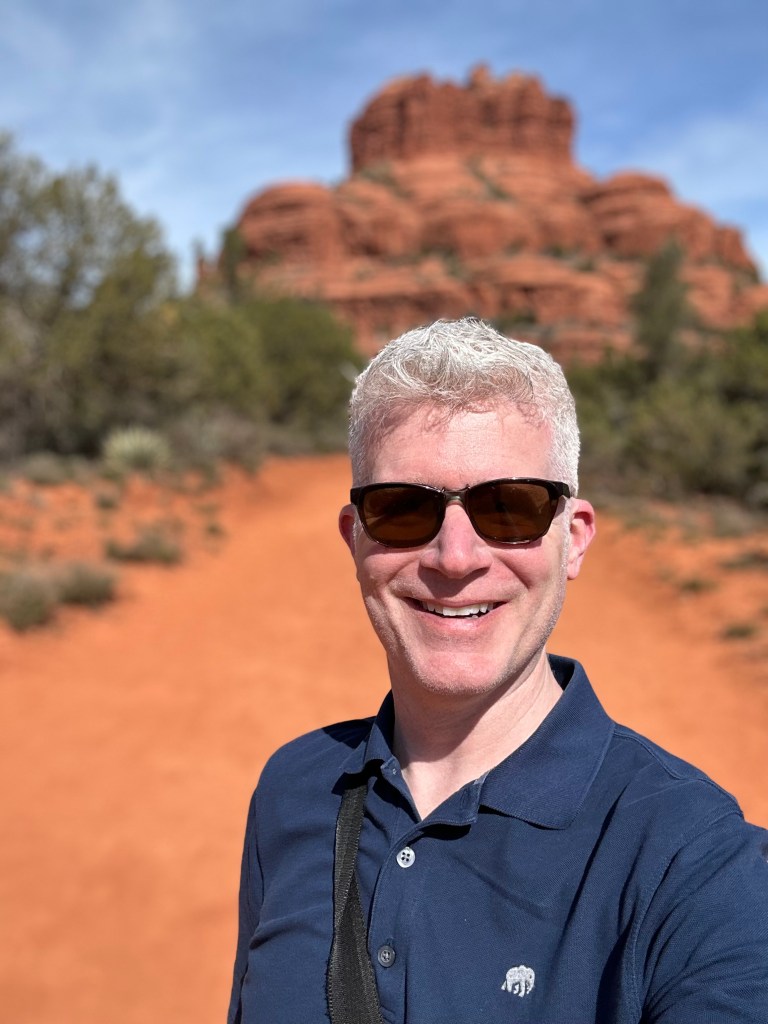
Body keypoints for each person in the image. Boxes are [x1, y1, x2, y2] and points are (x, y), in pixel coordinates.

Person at [228, 318, 768, 1023]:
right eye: (402, 510)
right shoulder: (294, 792)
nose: (456, 558)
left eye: (508, 507)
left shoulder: (695, 862)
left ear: (571, 539)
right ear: (355, 539)